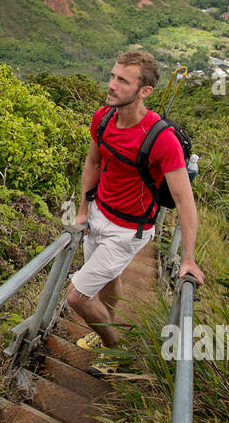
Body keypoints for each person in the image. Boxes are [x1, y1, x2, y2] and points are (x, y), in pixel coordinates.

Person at [67, 50, 204, 376]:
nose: (111, 84)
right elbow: (94, 163)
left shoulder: (162, 140)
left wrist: (188, 258)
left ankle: (118, 351)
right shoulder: (102, 118)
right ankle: (105, 329)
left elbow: (185, 201)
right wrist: (84, 210)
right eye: (113, 75)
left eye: (122, 80)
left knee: (77, 298)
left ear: (144, 91)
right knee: (108, 280)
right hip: (100, 215)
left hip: (129, 231)